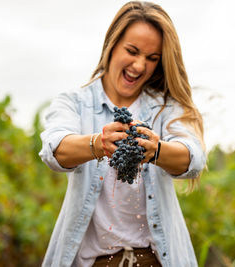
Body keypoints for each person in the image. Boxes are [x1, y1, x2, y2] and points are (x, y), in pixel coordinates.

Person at [39, 1, 207, 266]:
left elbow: (194, 159)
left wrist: (157, 151)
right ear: (111, 45)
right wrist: (98, 144)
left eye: (152, 58)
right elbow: (54, 150)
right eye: (132, 51)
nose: (140, 66)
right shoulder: (74, 102)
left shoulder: (165, 108)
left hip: (154, 260)